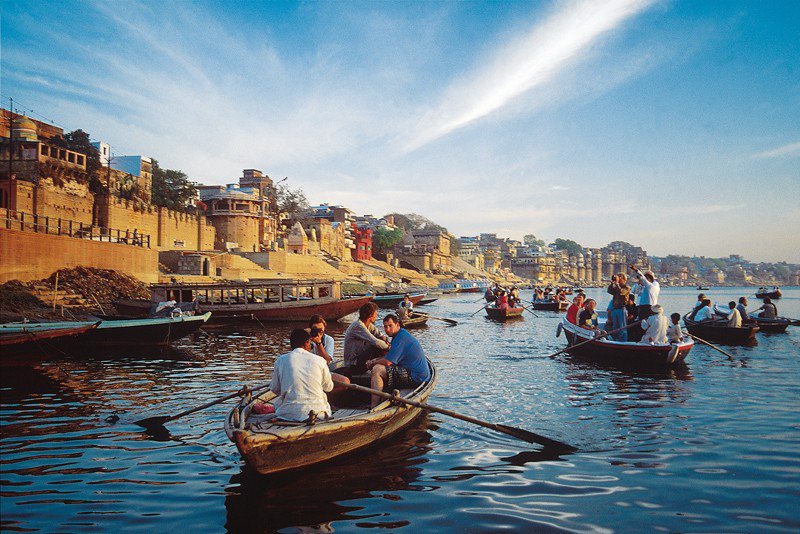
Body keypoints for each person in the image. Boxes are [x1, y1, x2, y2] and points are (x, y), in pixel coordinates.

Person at [269, 328, 336, 422]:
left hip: (288, 414)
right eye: (310, 343)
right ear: (307, 342)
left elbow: (275, 389)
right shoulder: (320, 360)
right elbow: (328, 387)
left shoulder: (280, 360)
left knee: (278, 403)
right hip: (318, 413)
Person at [365, 314, 431, 408]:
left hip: (416, 377)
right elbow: (389, 357)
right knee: (379, 365)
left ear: (398, 325)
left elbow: (388, 362)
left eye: (390, 326)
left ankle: (374, 406)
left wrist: (373, 363)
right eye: (385, 326)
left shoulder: (401, 338)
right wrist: (374, 360)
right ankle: (382, 396)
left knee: (377, 369)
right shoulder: (399, 335)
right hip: (415, 373)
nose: (387, 329)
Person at [342, 302, 390, 374]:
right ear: (370, 315)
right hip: (353, 364)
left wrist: (391, 342)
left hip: (360, 359)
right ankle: (386, 365)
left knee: (381, 341)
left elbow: (380, 335)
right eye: (376, 314)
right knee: (377, 346)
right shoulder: (358, 326)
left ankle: (386, 364)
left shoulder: (369, 325)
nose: (377, 316)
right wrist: (389, 348)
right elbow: (375, 341)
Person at [607, 273, 631, 341]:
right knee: (615, 326)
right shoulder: (617, 287)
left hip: (622, 309)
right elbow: (609, 291)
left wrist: (617, 284)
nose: (618, 278)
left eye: (620, 277)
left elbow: (622, 293)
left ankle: (623, 341)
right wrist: (612, 283)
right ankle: (615, 339)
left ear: (624, 279)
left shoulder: (627, 287)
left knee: (622, 327)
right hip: (615, 309)